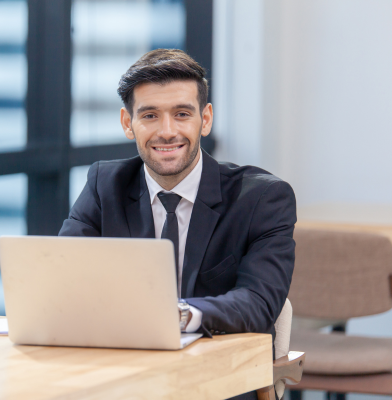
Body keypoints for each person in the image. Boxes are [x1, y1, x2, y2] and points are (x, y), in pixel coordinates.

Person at [59, 49, 296, 399]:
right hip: (119, 377)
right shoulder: (104, 184)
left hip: (219, 381)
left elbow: (259, 304)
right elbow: (64, 281)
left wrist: (180, 315)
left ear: (206, 119)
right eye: (150, 115)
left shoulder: (263, 198)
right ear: (128, 123)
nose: (167, 132)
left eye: (182, 114)